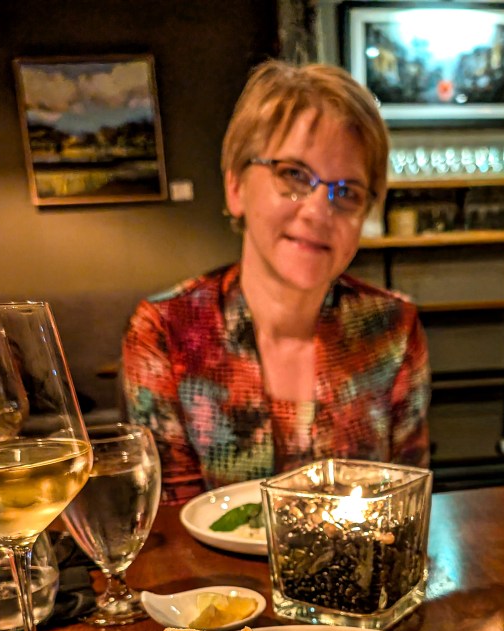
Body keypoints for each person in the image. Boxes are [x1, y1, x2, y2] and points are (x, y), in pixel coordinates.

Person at [122, 60, 430, 505]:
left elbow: (405, 504)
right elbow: (171, 523)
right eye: (294, 175)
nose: (319, 211)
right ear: (235, 186)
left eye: (347, 193)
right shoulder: (165, 330)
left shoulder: (393, 328)